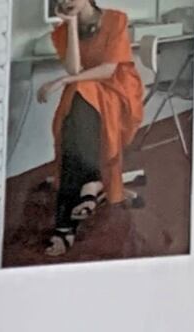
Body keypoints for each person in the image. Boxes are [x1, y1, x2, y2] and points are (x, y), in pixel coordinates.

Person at [43, 2, 144, 253]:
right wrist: (71, 24)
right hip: (86, 96)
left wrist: (63, 81)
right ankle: (90, 183)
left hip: (118, 90)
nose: (66, 0)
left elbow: (108, 70)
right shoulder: (61, 32)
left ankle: (65, 223)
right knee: (76, 113)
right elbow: (75, 69)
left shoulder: (116, 20)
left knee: (76, 94)